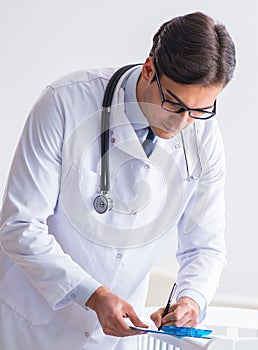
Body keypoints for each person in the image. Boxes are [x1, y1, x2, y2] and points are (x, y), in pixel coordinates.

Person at [0, 11, 236, 350]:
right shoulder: (65, 103)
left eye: (200, 110)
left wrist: (190, 300)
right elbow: (19, 225)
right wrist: (93, 296)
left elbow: (205, 245)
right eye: (174, 103)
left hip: (116, 335)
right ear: (149, 69)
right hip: (33, 325)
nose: (182, 123)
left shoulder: (202, 133)